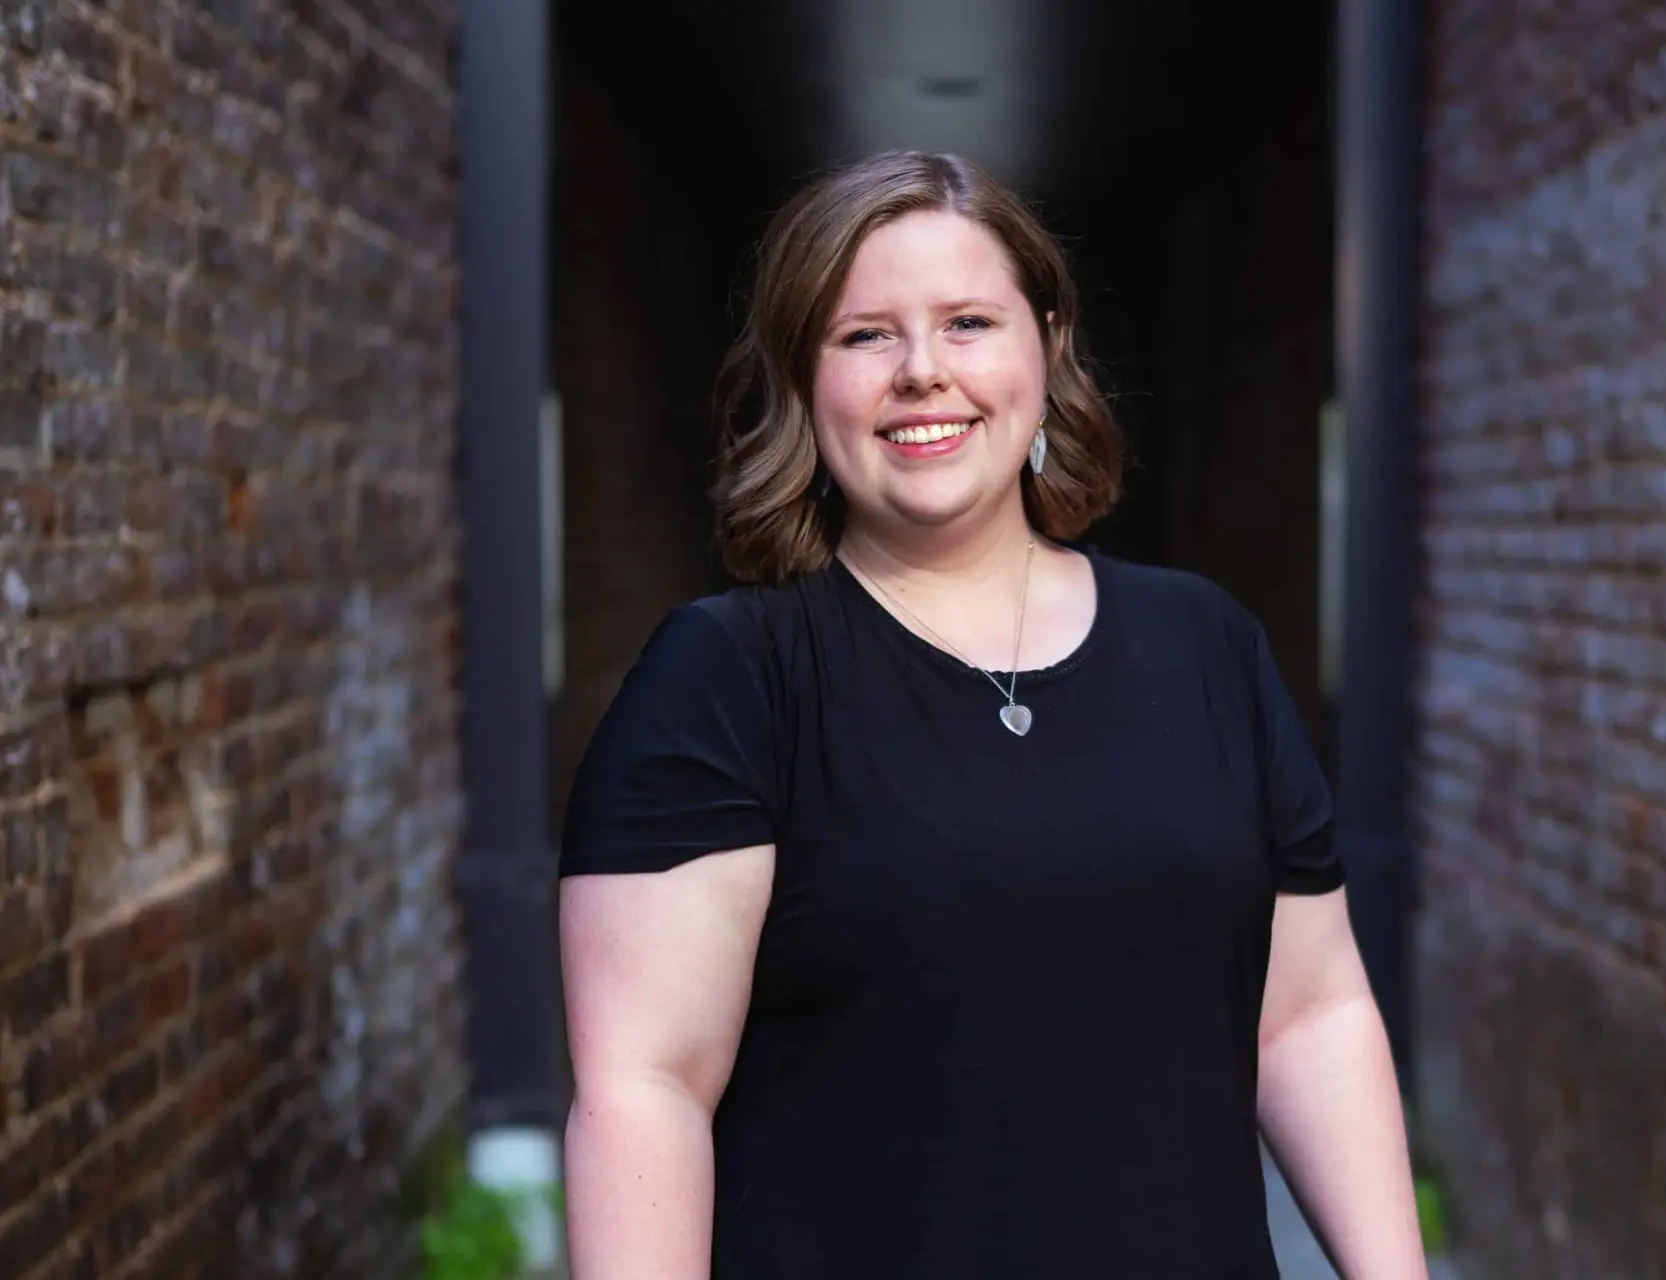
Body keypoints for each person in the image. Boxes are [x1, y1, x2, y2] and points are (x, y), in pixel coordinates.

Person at [557, 149, 1428, 1279]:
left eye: (968, 321)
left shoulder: (1207, 646)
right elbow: (645, 1087)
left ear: (1047, 346)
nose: (923, 369)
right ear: (802, 379)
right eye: (864, 334)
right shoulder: (728, 678)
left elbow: (1308, 1016)